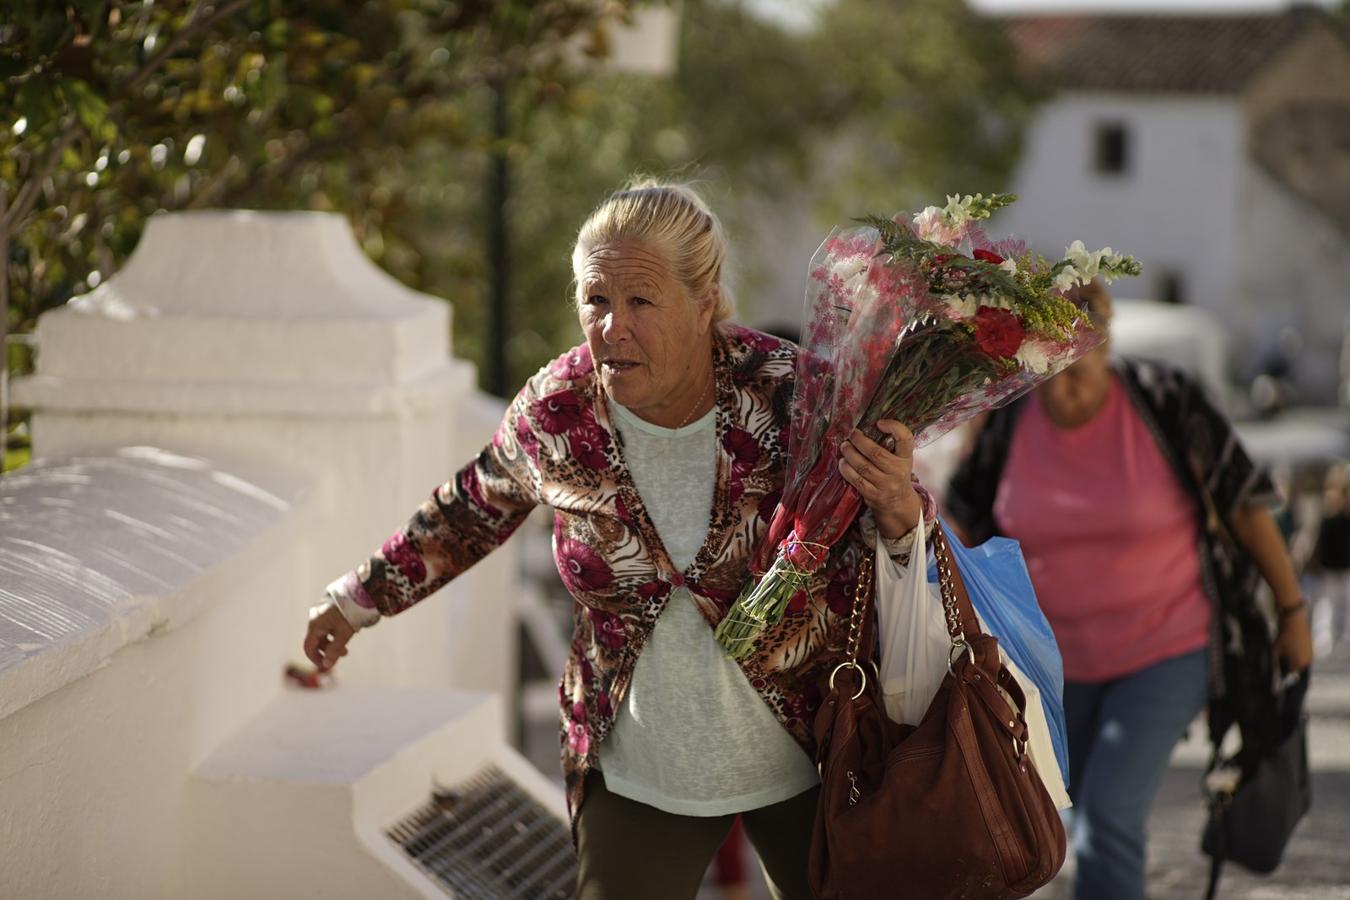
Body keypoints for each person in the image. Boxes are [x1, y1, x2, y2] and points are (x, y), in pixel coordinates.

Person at [304, 180, 930, 900]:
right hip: (639, 768)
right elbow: (470, 509)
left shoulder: (797, 398)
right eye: (596, 299)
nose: (611, 326)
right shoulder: (560, 413)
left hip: (814, 756)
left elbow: (895, 533)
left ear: (704, 303)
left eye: (640, 301)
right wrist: (354, 601)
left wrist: (900, 508)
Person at [945, 279, 1314, 900]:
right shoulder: (1010, 419)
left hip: (1166, 648)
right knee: (1067, 821)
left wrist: (1292, 610)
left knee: (1108, 817)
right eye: (1049, 371)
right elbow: (961, 523)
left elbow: (1247, 503)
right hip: (1051, 667)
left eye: (1079, 368)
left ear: (1106, 346)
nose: (1063, 389)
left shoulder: (1165, 401)